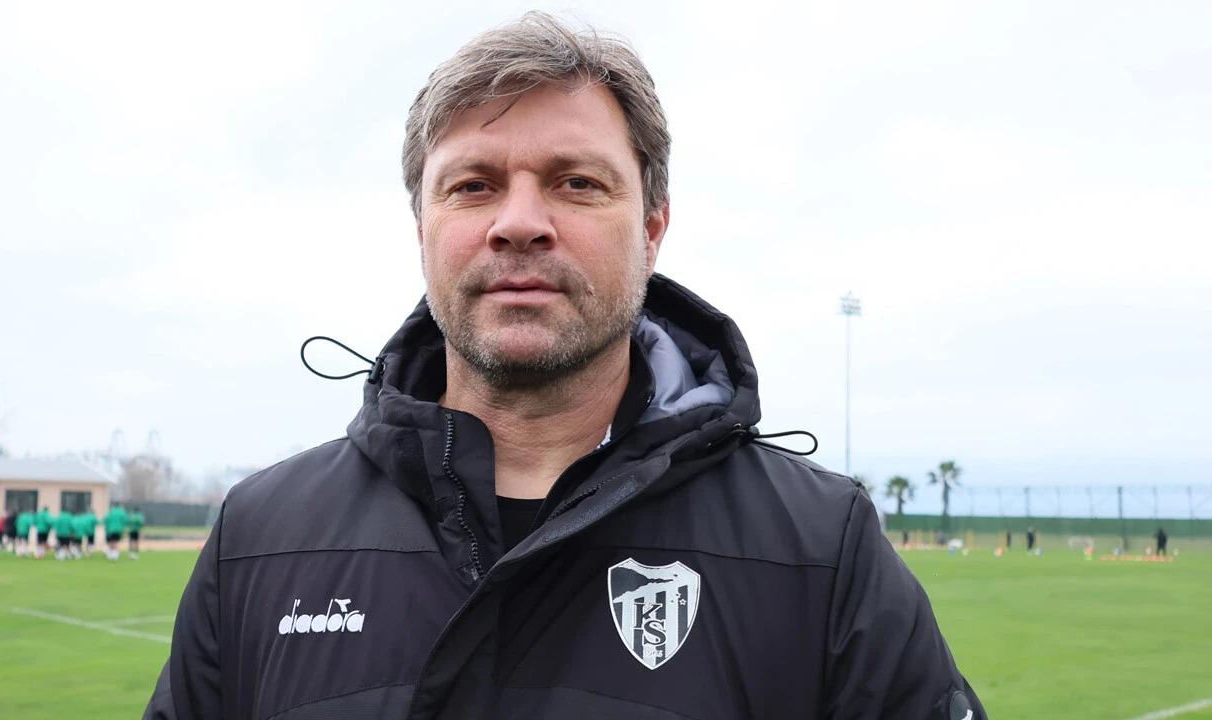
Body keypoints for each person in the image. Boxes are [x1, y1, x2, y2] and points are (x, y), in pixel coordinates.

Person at [146, 13, 985, 719]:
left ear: (652, 228)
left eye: (576, 183)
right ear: (421, 229)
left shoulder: (821, 549)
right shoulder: (258, 538)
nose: (519, 222)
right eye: (472, 185)